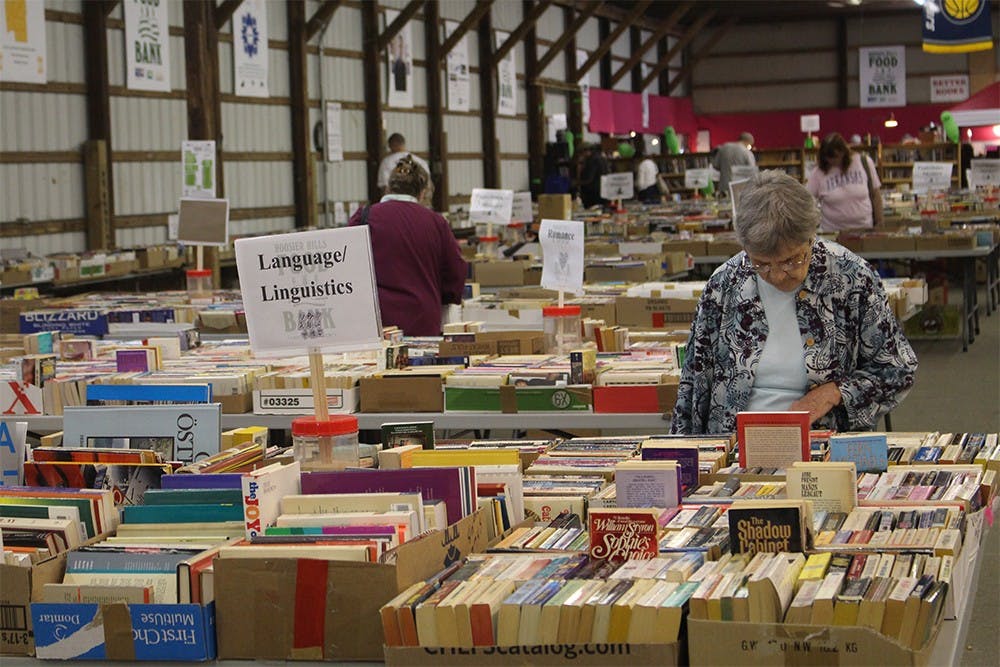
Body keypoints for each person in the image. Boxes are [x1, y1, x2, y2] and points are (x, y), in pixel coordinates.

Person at [671, 171, 917, 435]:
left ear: (811, 236)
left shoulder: (852, 278)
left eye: (791, 260)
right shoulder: (724, 285)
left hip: (821, 444)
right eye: (762, 264)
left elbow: (897, 370)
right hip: (734, 446)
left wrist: (835, 392)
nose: (776, 276)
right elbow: (693, 384)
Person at [350, 156, 466, 336]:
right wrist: (445, 298)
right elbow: (455, 271)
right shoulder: (436, 222)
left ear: (388, 187)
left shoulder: (364, 218)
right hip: (423, 322)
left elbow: (345, 266)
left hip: (376, 324)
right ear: (422, 192)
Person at [806, 132, 881, 231]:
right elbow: (806, 201)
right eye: (828, 158)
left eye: (836, 156)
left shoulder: (864, 162)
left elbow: (876, 195)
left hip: (865, 229)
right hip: (833, 232)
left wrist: (880, 222)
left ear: (844, 153)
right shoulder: (817, 173)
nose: (832, 161)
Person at [578, 143, 609, 208]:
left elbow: (588, 178)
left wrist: (578, 182)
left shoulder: (592, 160)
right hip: (603, 191)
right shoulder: (602, 158)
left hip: (593, 194)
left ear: (585, 151)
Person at [635, 140, 661, 204]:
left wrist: (639, 188)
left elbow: (640, 180)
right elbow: (656, 174)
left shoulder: (642, 165)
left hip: (645, 190)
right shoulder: (653, 163)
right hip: (653, 187)